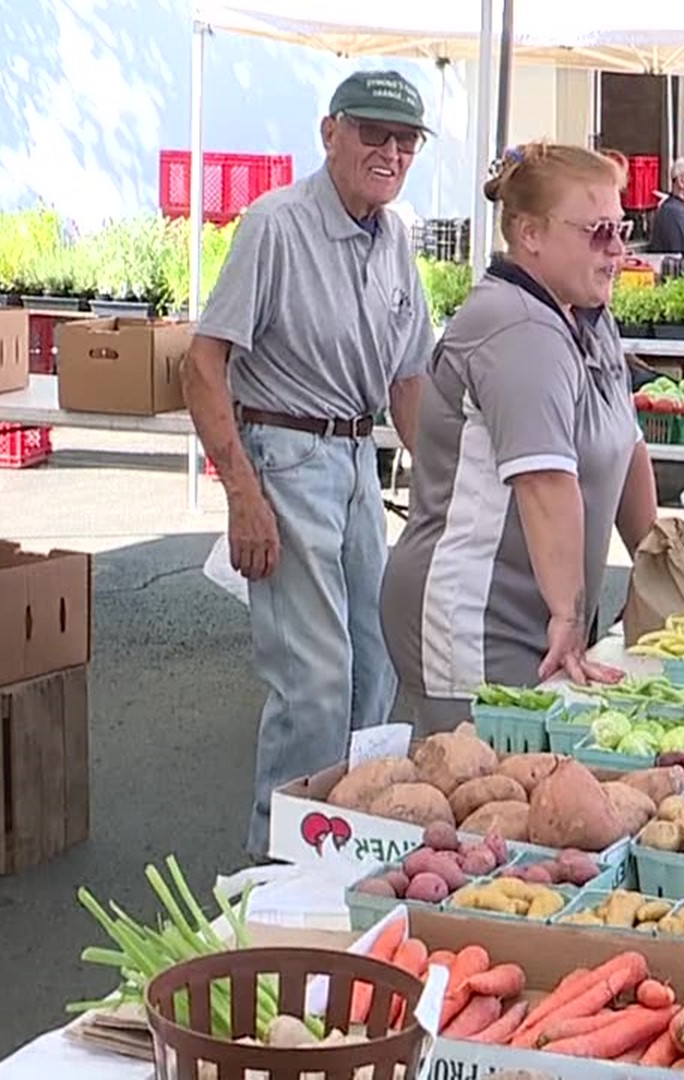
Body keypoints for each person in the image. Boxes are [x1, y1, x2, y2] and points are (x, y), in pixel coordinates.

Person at [183, 70, 435, 857]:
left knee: (374, 674)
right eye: (372, 134)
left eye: (405, 140)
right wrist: (241, 493)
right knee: (316, 684)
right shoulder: (276, 226)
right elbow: (200, 365)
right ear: (330, 133)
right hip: (285, 456)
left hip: (358, 457)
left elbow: (409, 380)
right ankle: (275, 869)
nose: (389, 153)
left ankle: (348, 855)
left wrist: (439, 491)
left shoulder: (395, 238)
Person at [381, 143, 660, 734]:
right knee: (481, 795)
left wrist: (663, 567)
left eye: (623, 228)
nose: (618, 250)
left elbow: (625, 446)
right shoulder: (518, 327)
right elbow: (543, 482)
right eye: (598, 232)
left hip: (539, 618)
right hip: (477, 618)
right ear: (530, 233)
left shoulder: (587, 314)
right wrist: (567, 615)